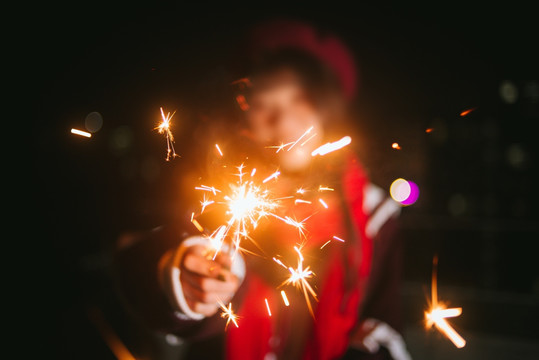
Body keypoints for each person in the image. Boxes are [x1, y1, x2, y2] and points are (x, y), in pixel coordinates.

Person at [114, 19, 411, 360]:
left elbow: (384, 320)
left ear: (328, 110)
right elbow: (141, 260)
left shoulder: (375, 215)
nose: (283, 122)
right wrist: (181, 277)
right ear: (242, 116)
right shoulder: (218, 193)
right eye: (264, 104)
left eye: (301, 100)